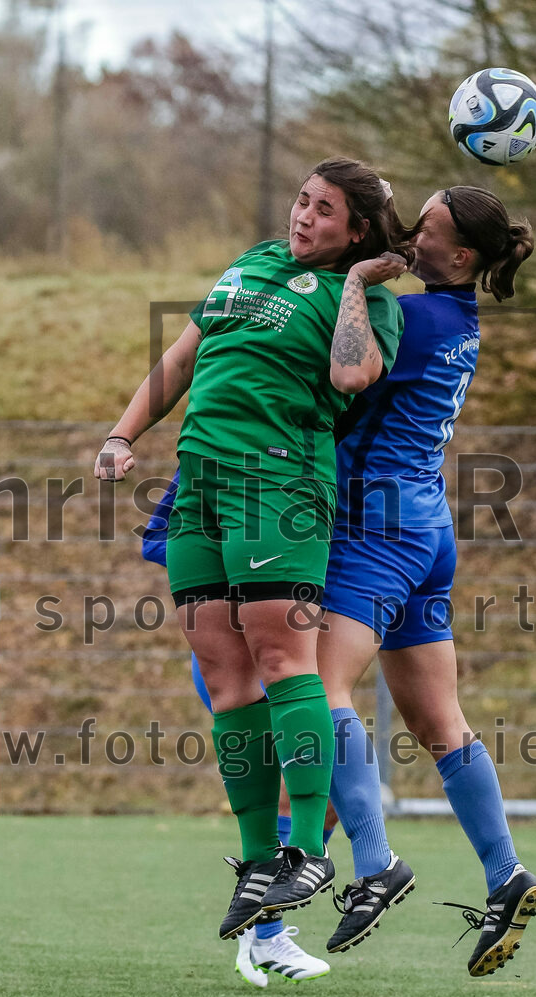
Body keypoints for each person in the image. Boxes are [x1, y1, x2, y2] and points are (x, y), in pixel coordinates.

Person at [94, 157, 408, 947]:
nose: (303, 217)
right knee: (223, 672)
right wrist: (122, 435)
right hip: (199, 480)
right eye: (302, 201)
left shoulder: (370, 302)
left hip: (280, 485)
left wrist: (352, 283)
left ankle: (307, 850)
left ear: (358, 232)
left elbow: (347, 375)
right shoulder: (252, 263)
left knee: (282, 661)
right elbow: (180, 359)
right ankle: (257, 857)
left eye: (324, 211)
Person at [317, 186, 536, 977]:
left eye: (429, 229)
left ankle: (374, 863)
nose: (412, 235)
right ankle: (505, 875)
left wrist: (347, 281)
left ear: (462, 258)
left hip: (375, 529)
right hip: (425, 529)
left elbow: (341, 369)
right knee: (440, 724)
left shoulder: (412, 320)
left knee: (318, 694)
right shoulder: (452, 319)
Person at [141, 472, 336, 985]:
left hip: (281, 644)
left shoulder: (299, 463)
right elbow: (161, 543)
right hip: (248, 658)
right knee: (303, 792)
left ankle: (267, 922)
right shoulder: (216, 472)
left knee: (327, 791)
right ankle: (266, 930)